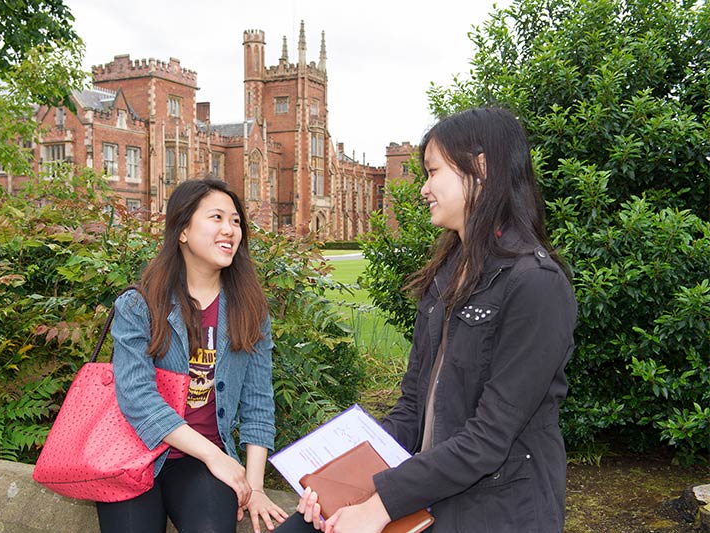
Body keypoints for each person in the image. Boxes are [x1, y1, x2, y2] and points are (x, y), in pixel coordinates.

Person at [277, 107, 578, 532]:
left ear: (481, 169)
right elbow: (413, 409)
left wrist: (378, 507)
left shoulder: (535, 285)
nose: (423, 189)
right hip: (429, 493)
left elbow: (487, 440)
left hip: (496, 510)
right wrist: (337, 485)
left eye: (433, 171)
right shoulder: (447, 274)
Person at [97, 177, 288, 533]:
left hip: (200, 467)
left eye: (235, 221)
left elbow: (259, 402)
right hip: (134, 453)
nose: (230, 229)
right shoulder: (139, 306)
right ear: (182, 230)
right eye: (216, 217)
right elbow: (138, 398)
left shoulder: (249, 309)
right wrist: (216, 457)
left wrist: (256, 487)